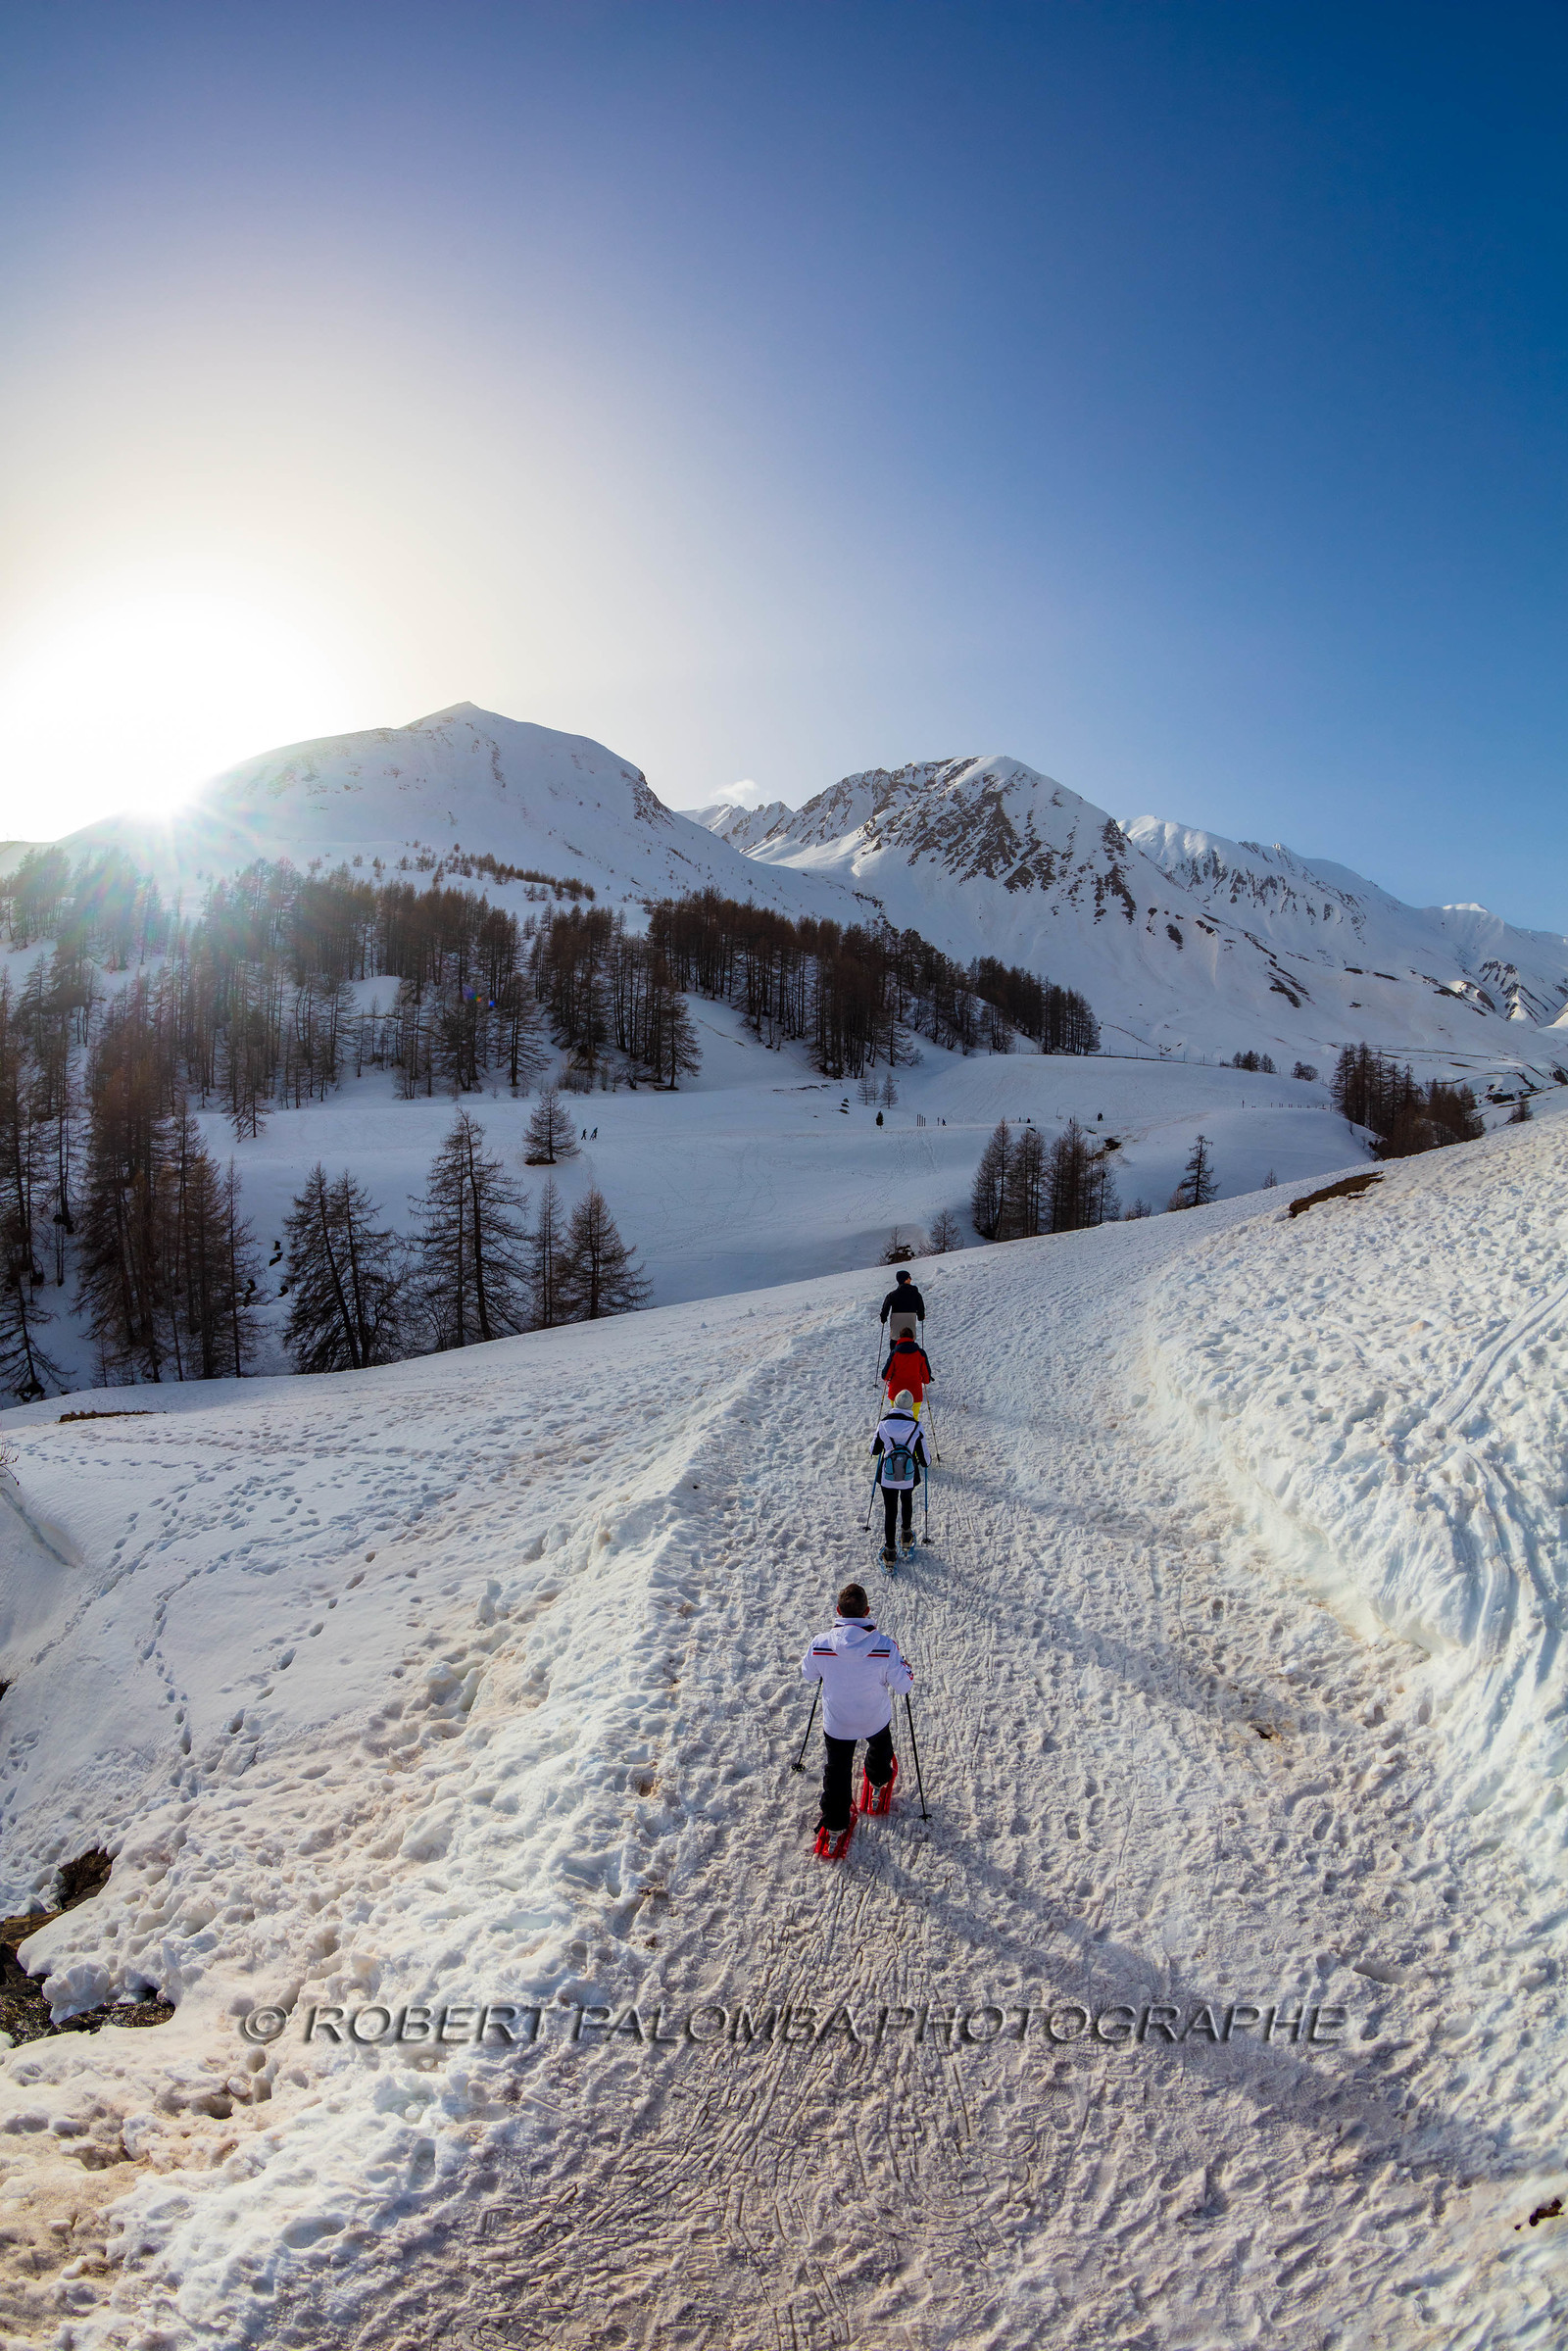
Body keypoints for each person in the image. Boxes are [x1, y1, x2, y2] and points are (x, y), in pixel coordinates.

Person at [800, 1581, 914, 1858]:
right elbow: (903, 1686)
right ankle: (877, 1780)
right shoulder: (885, 1646)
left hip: (838, 1723)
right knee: (880, 1747)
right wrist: (906, 1670)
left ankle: (836, 1823)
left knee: (837, 1770)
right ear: (867, 1612)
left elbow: (809, 1675)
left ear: (838, 1610)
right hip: (874, 1718)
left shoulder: (821, 1643)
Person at [872, 1388, 929, 1560]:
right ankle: (906, 1537)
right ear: (911, 1407)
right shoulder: (916, 1427)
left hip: (887, 1477)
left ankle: (889, 1552)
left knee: (890, 1510)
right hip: (908, 1476)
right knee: (906, 1500)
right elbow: (926, 1460)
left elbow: (874, 1451)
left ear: (894, 1404)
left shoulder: (883, 1425)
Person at [880, 1330, 932, 1415]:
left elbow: (885, 1375)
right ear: (913, 1338)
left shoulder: (894, 1353)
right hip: (915, 1394)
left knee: (896, 1419)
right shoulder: (920, 1353)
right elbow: (927, 1379)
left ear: (900, 1338)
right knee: (912, 1420)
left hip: (896, 1394)